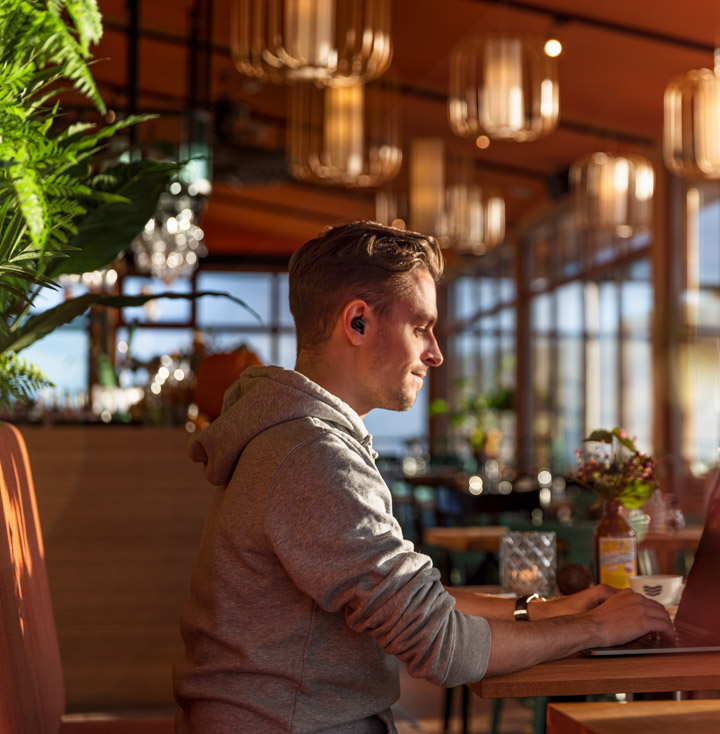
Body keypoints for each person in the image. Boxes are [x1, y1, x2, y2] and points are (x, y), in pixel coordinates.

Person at [173, 221, 673, 734]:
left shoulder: (297, 441)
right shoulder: (314, 456)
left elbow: (412, 602)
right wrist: (596, 628)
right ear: (358, 322)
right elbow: (442, 646)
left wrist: (541, 610)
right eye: (420, 327)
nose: (435, 353)